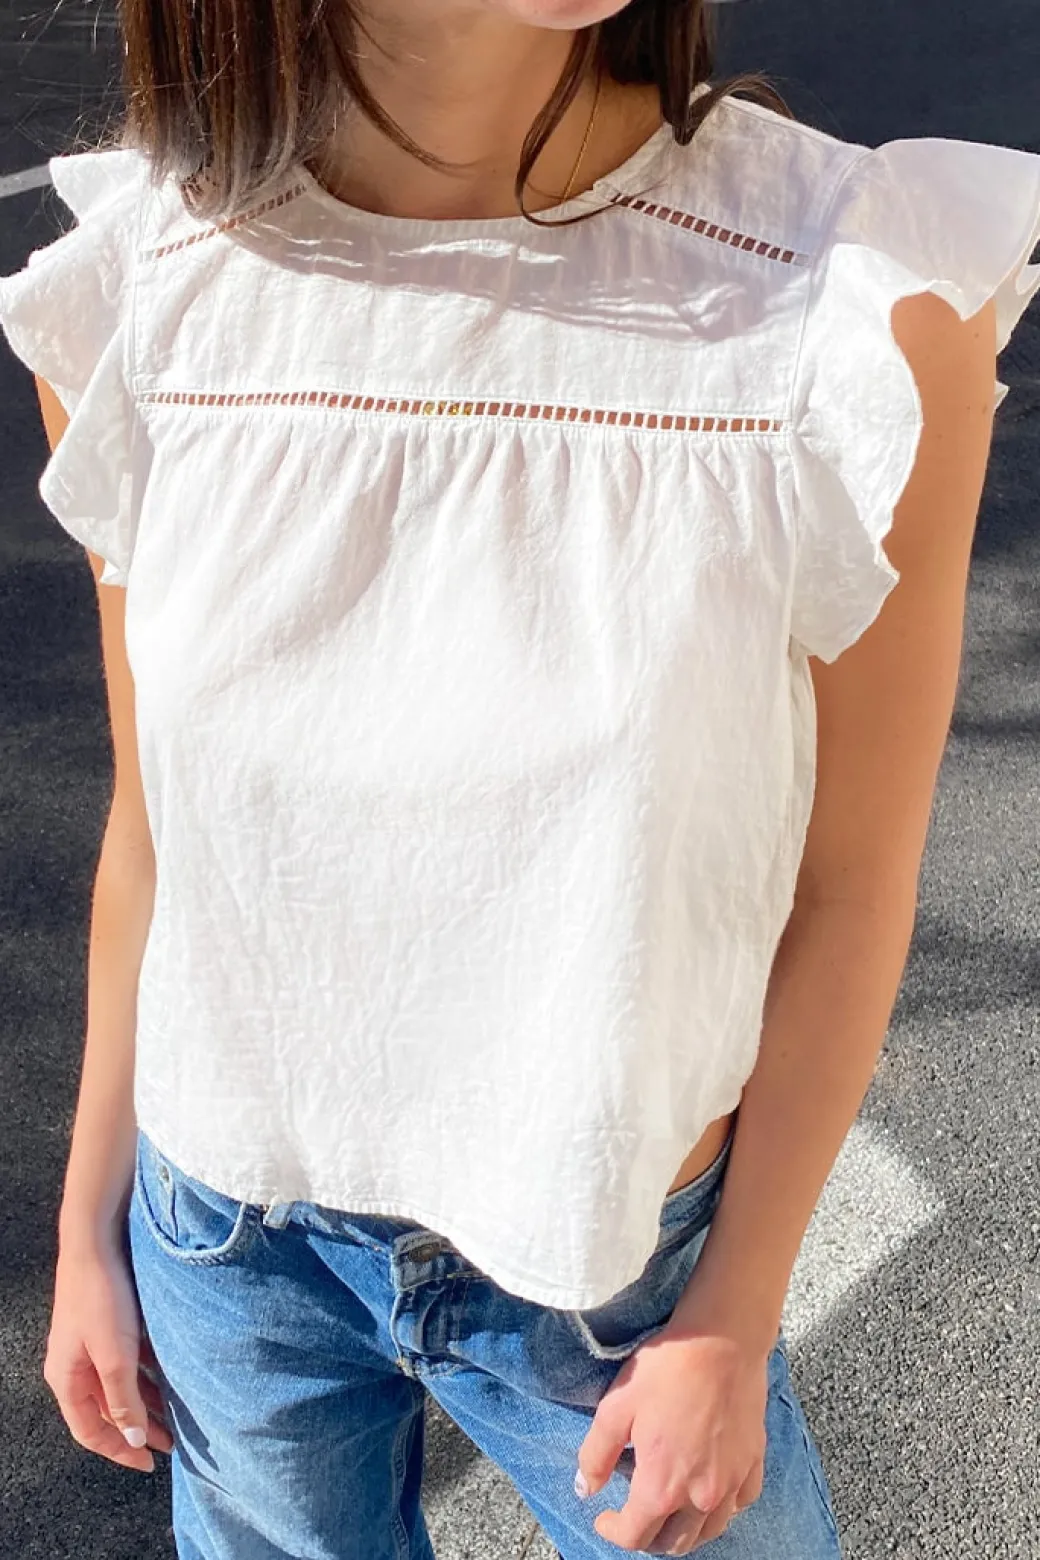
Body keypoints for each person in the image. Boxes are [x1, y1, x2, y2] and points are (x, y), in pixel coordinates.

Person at [2, 2, 1038, 1556]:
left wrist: (733, 1315)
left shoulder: (847, 295)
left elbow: (851, 878)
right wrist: (93, 1227)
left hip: (619, 1288)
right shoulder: (144, 285)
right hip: (227, 1245)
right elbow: (162, 833)